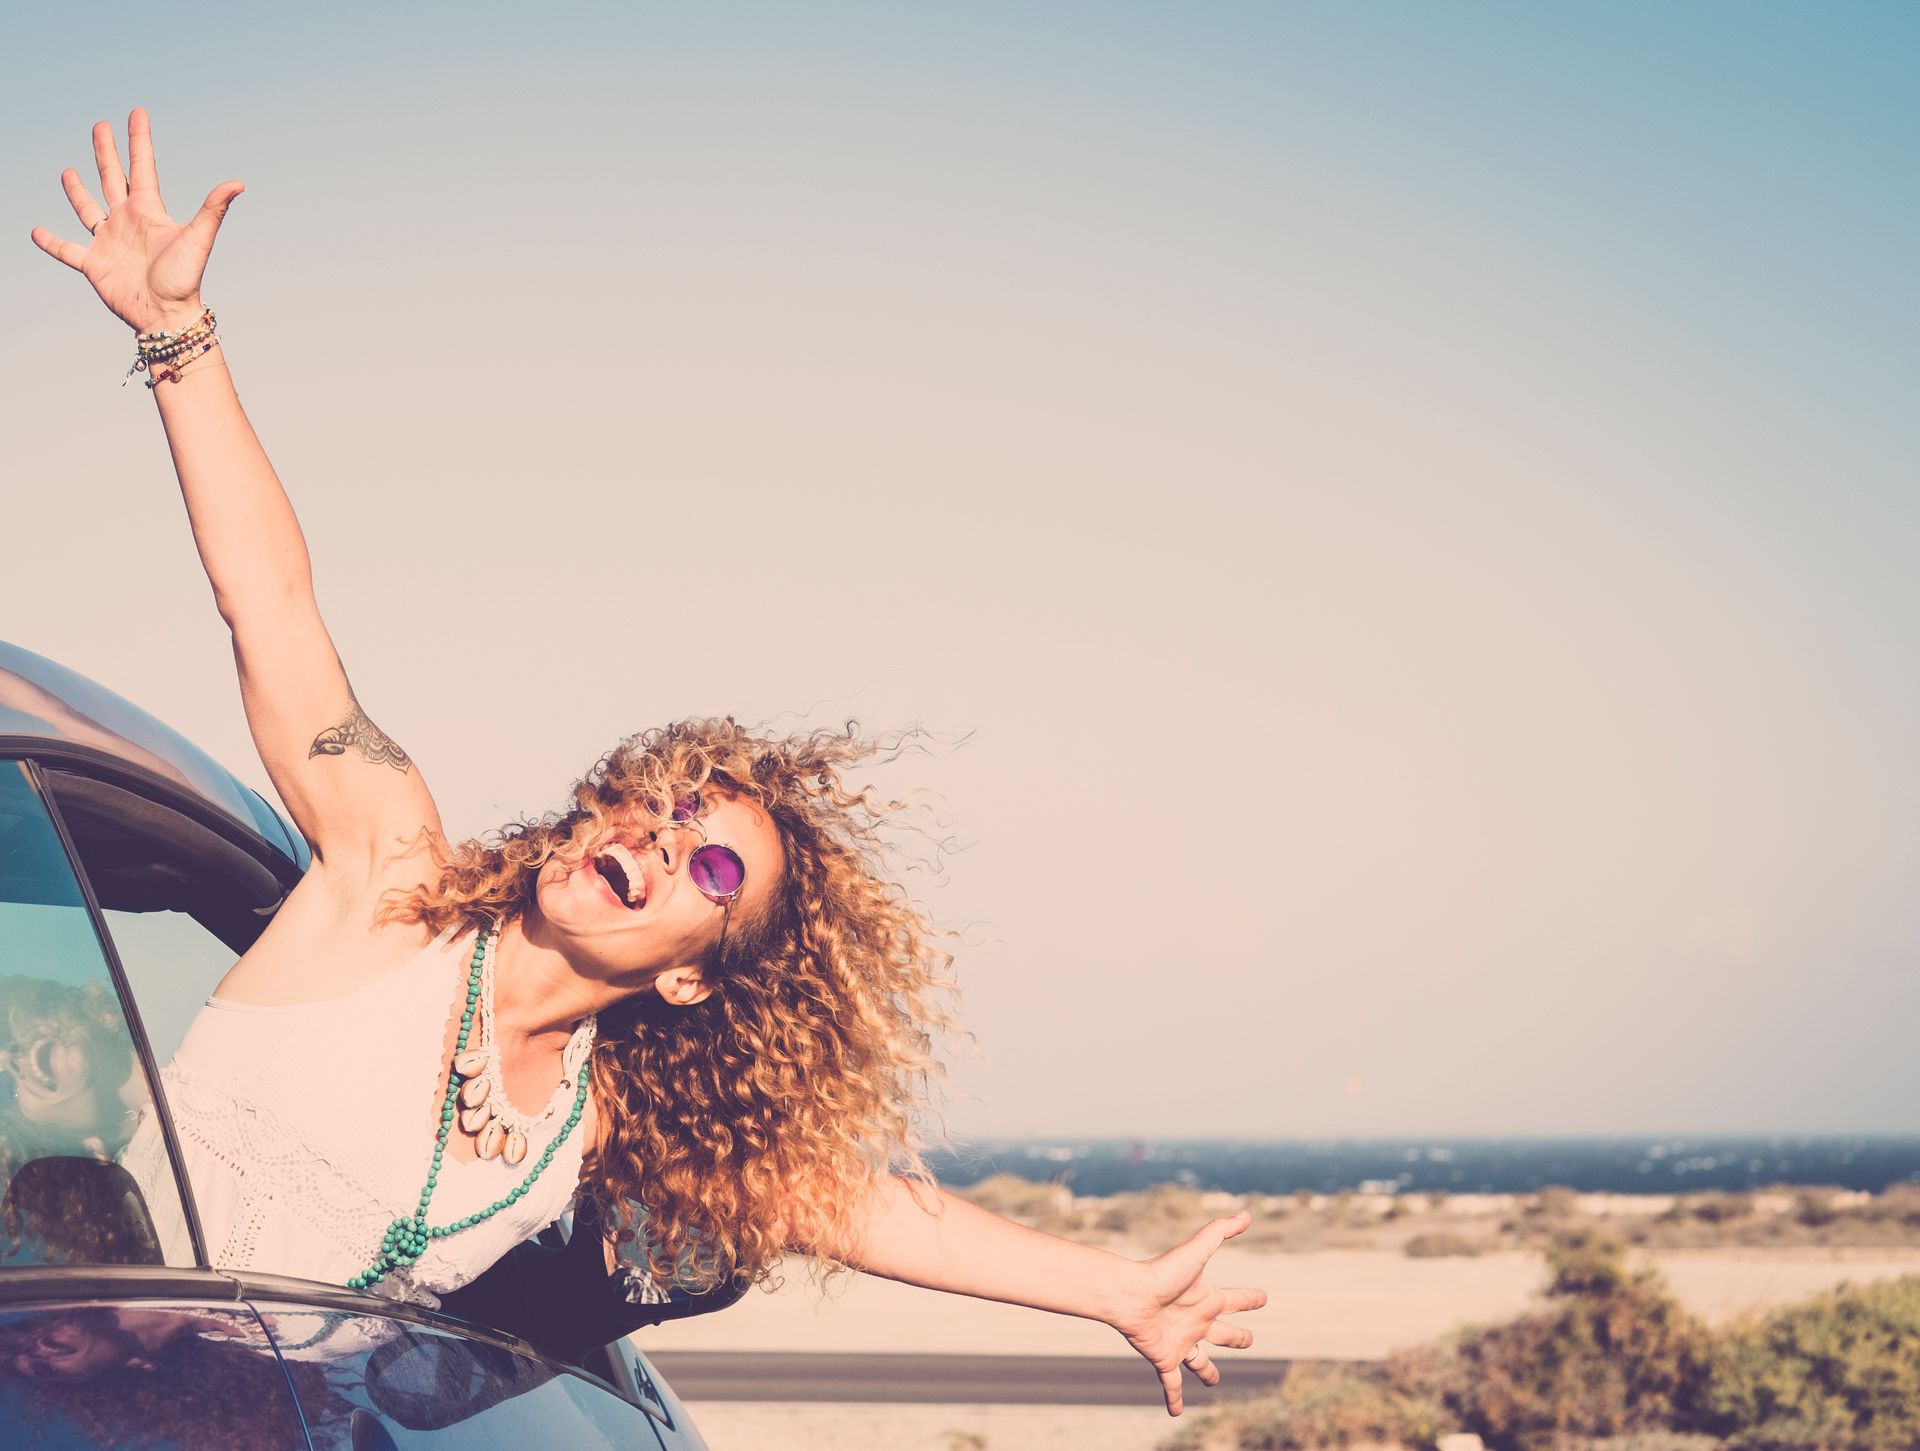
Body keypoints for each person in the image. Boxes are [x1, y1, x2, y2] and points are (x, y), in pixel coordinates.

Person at [29, 108, 1264, 1415]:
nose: (662, 841)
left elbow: (857, 1206)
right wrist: (176, 336)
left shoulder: (592, 1127)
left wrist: (1119, 1292)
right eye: (660, 809)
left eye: (711, 860)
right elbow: (273, 607)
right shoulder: (389, 883)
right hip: (51, 1383)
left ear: (692, 977)